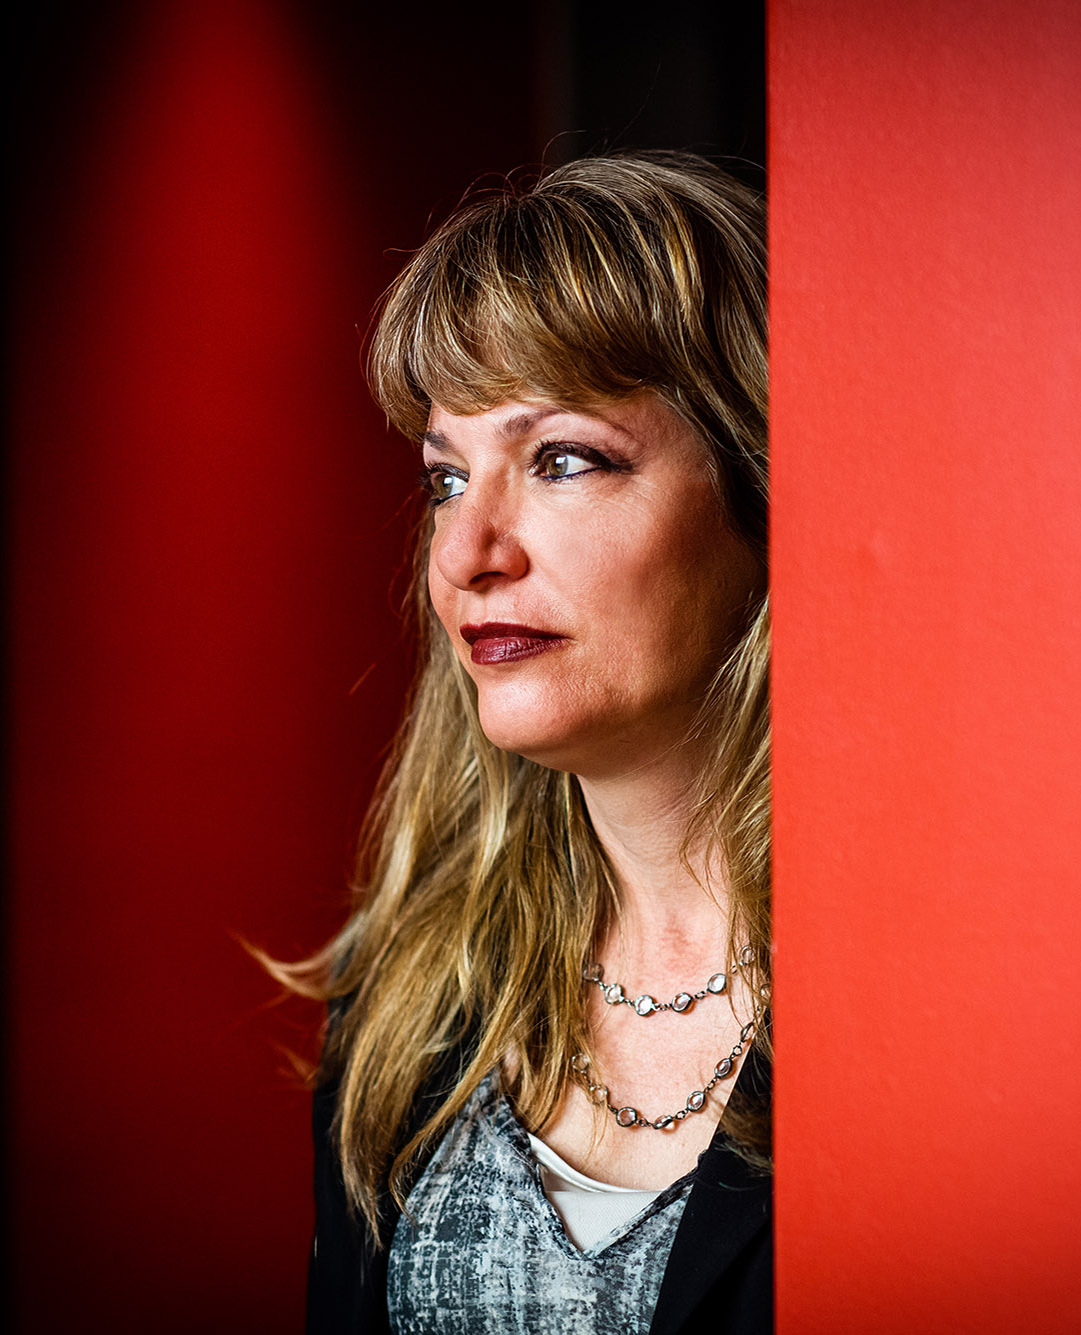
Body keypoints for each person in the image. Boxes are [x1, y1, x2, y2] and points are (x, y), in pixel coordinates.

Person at [277, 151, 772, 1335]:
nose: (465, 554)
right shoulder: (406, 987)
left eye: (562, 460)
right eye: (446, 479)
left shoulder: (927, 1000)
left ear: (760, 492)